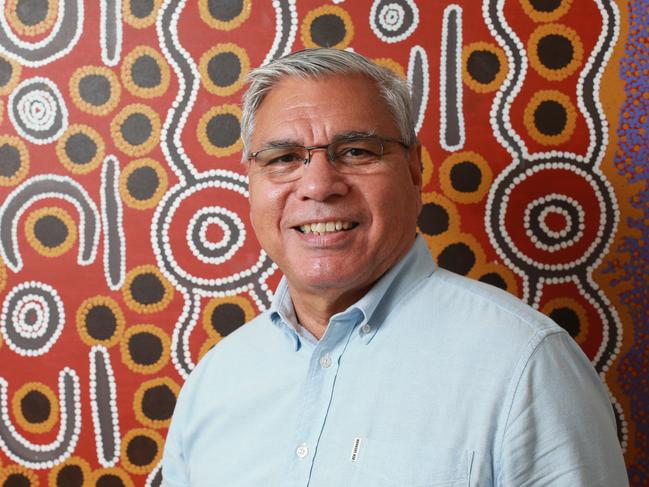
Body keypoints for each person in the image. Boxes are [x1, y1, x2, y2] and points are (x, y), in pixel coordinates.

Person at [161, 48, 628, 486]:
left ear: (414, 171)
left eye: (356, 152)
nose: (319, 186)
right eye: (284, 159)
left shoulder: (526, 363)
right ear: (252, 184)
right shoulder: (215, 382)